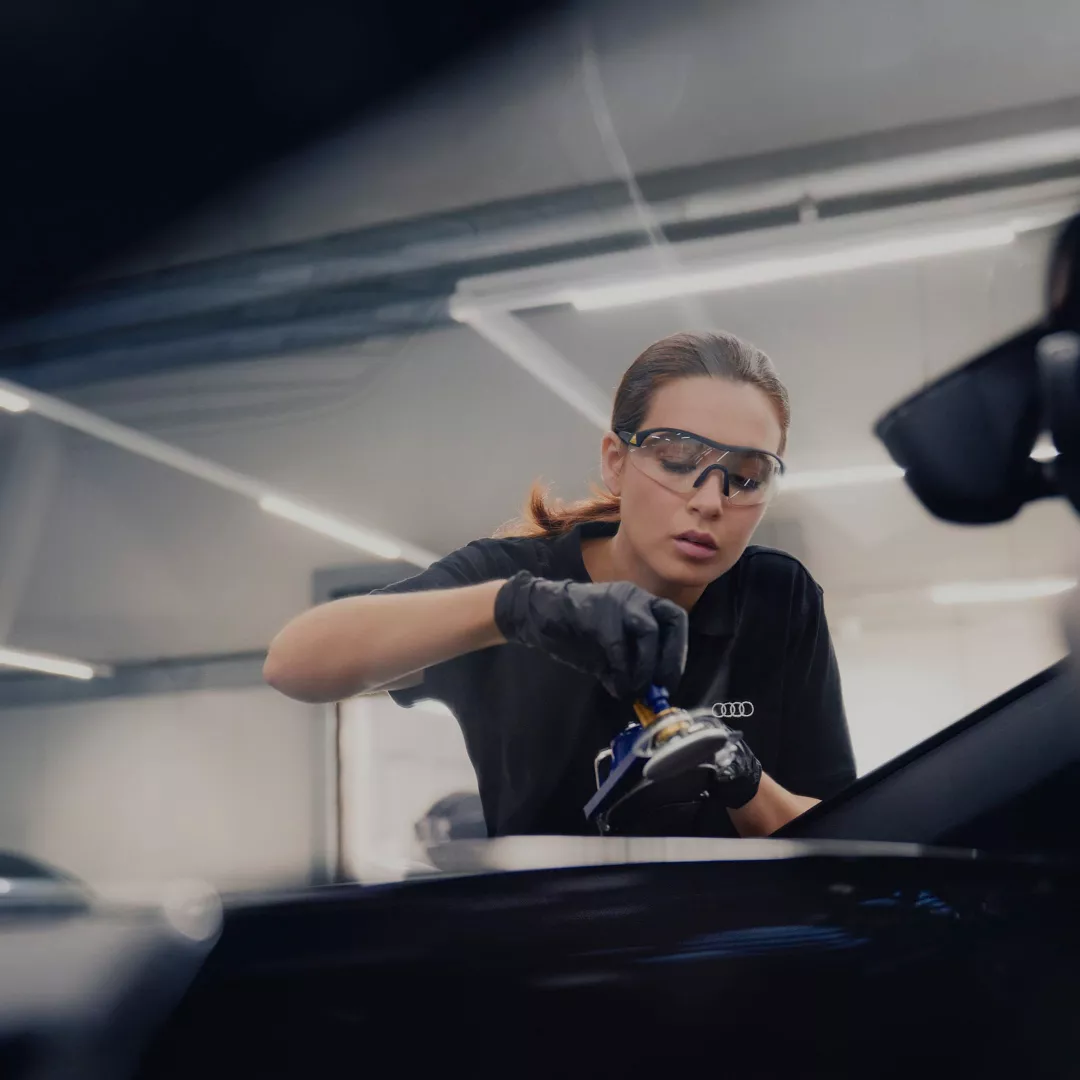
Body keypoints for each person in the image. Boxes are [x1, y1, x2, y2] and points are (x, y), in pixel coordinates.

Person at [264, 331, 856, 839]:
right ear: (616, 462)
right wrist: (512, 610)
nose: (708, 501)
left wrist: (739, 776)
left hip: (741, 959)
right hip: (557, 954)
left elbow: (847, 837)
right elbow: (293, 664)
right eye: (677, 458)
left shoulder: (777, 599)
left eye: (747, 477)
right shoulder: (514, 582)